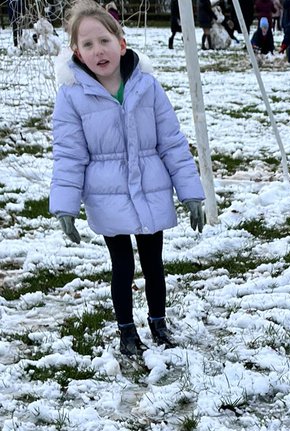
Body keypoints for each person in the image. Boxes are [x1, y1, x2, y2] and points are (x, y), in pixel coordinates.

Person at [50, 0, 205, 357]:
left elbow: (172, 143)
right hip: (108, 197)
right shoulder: (72, 98)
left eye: (104, 40)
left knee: (153, 263)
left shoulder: (147, 87)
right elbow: (69, 156)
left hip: (150, 191)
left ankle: (158, 323)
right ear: (76, 52)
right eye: (87, 45)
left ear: (121, 42)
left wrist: (191, 193)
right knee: (122, 265)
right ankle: (127, 331)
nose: (98, 50)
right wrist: (65, 206)